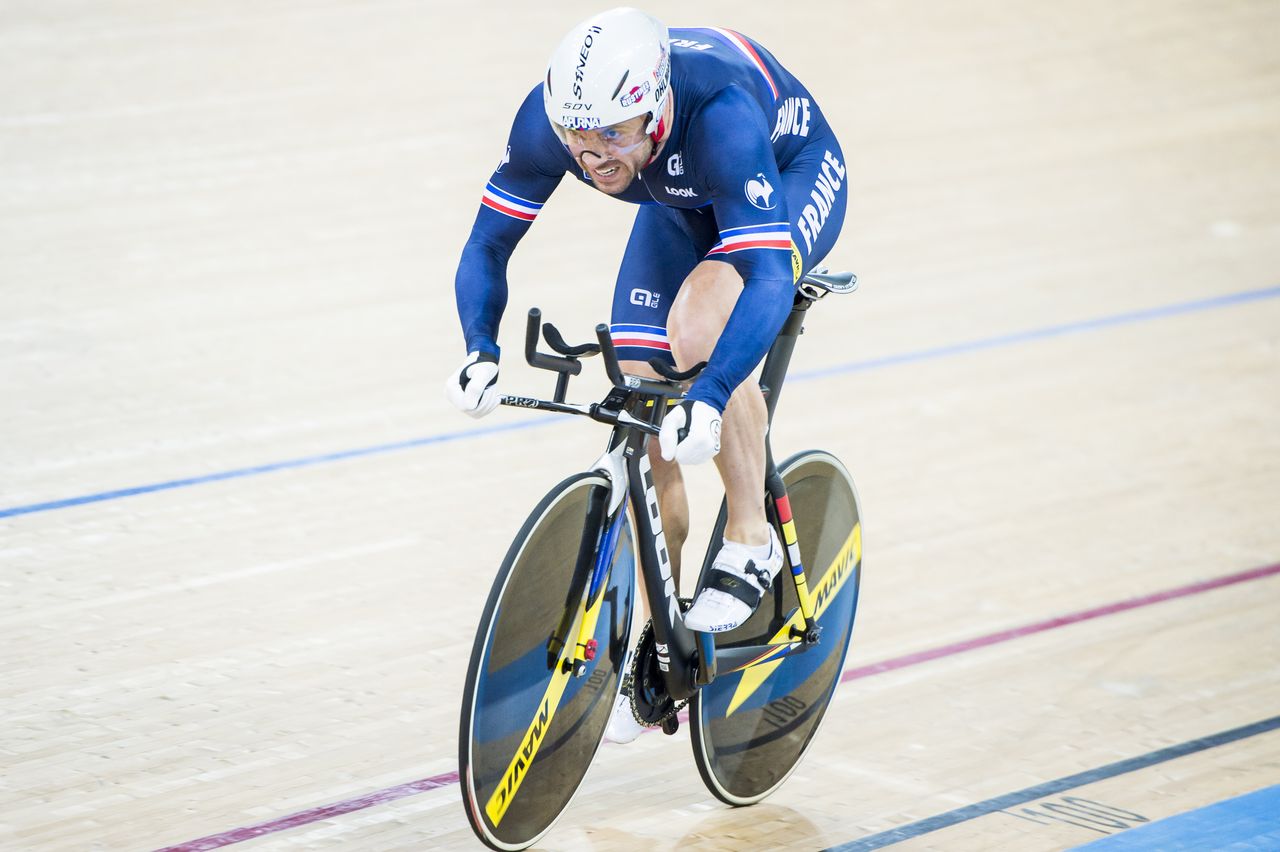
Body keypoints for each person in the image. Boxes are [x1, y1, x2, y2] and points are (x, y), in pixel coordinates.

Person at [445, 7, 848, 739]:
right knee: (640, 389)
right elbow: (486, 245)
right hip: (681, 193)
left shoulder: (719, 115)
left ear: (655, 108)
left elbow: (762, 278)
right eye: (579, 138)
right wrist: (479, 345)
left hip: (785, 172)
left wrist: (713, 391)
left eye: (612, 136)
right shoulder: (558, 123)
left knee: (697, 331)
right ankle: (660, 636)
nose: (594, 156)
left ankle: (751, 539)